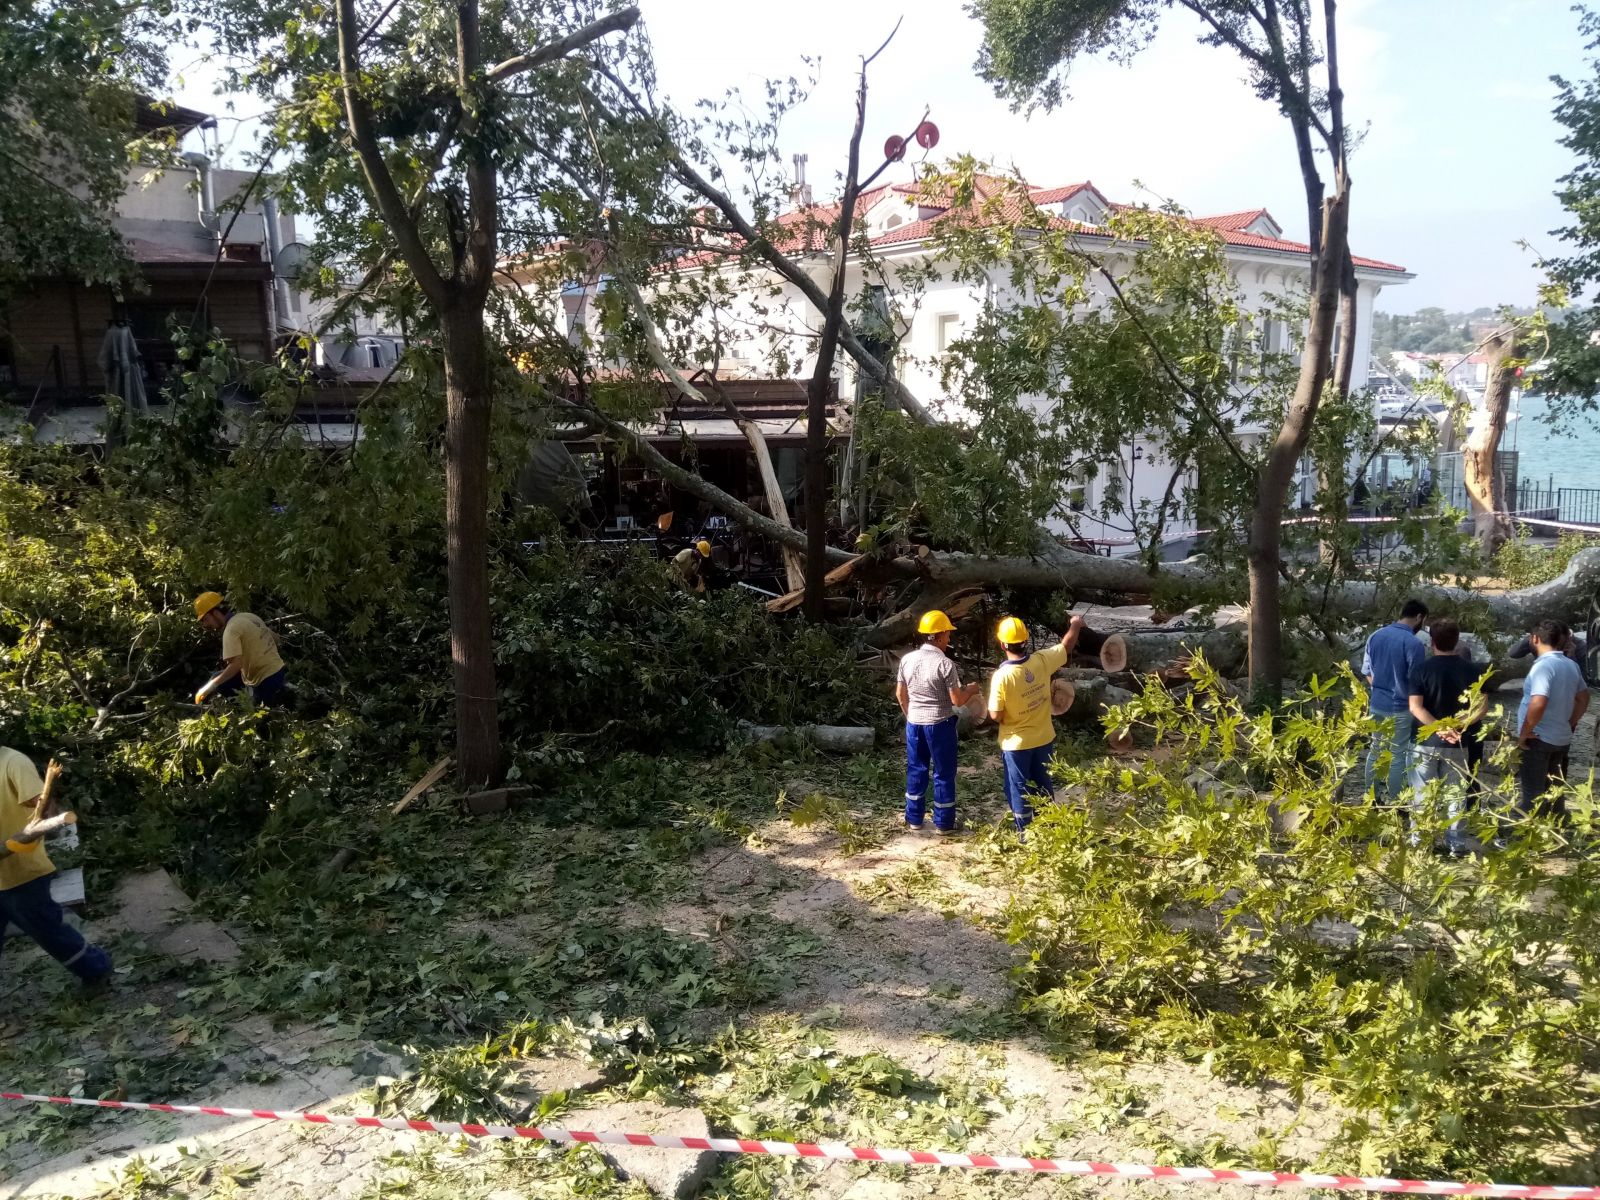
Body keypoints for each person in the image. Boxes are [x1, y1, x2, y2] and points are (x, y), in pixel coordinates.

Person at [0, 745, 113, 984]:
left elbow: (42, 807)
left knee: (48, 930)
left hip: (22, 874)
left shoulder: (13, 762)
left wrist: (44, 822)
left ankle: (97, 969)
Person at [987, 614, 1085, 836]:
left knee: (1018, 787)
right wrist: (1076, 624)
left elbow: (994, 714)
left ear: (1003, 644)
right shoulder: (1041, 661)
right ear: (1026, 640)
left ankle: (1026, 833)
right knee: (1043, 782)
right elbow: (1066, 646)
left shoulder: (1002, 676)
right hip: (1043, 738)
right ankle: (1048, 827)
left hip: (1016, 743)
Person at [896, 610, 981, 835]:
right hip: (940, 724)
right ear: (941, 635)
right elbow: (957, 700)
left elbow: (900, 694)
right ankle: (944, 823)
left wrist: (909, 715)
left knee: (916, 768)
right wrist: (971, 690)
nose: (949, 638)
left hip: (914, 723)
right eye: (948, 634)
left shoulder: (907, 659)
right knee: (943, 772)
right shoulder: (945, 664)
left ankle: (914, 818)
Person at [1407, 619, 1487, 854]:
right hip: (1459, 742)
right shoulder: (1473, 670)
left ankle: (1421, 843)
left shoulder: (1421, 669)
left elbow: (1416, 707)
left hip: (1425, 741)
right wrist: (1456, 725)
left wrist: (1439, 728)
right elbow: (1481, 709)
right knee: (1456, 796)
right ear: (1458, 640)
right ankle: (1457, 845)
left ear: (1431, 641)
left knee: (1422, 794)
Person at [1508, 618, 1590, 833]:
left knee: (1532, 792)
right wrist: (1570, 722)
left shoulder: (1544, 667)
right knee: (1555, 791)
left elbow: (1539, 702)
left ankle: (1520, 837)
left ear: (1534, 639)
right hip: (1562, 738)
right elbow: (1583, 698)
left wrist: (1524, 733)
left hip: (1539, 738)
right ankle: (1554, 834)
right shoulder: (1571, 665)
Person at [1362, 598, 1429, 800]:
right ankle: (1397, 799)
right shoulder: (1414, 644)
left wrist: (1379, 688)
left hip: (1377, 703)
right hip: (1401, 706)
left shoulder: (1376, 636)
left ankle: (1371, 797)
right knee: (1398, 755)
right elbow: (1417, 681)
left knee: (1375, 750)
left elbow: (1366, 671)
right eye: (1424, 621)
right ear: (1419, 617)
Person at [193, 592, 289, 706]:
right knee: (218, 677)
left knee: (259, 718)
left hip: (265, 680)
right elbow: (275, 639)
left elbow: (236, 665)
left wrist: (209, 687)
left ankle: (249, 704)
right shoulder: (248, 616)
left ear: (216, 613)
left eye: (206, 619)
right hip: (278, 671)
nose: (205, 624)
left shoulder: (231, 630)